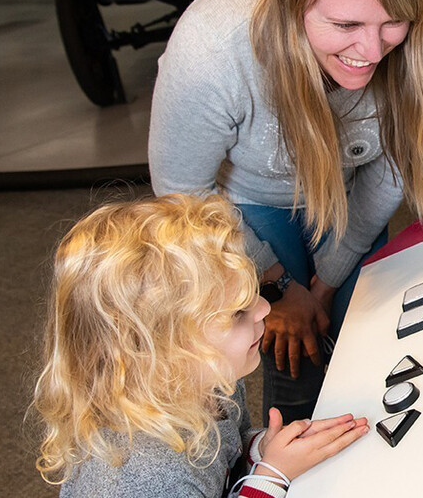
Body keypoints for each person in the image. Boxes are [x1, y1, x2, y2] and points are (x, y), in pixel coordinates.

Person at [148, 0, 423, 424]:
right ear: (295, 5)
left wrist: (327, 283)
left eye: (393, 21)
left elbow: (395, 166)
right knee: (295, 347)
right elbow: (181, 197)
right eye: (345, 25)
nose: (374, 52)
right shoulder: (212, 49)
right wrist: (275, 290)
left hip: (350, 185)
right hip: (239, 203)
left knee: (371, 326)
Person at [31, 194, 369, 497]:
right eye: (238, 312)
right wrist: (272, 476)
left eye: (254, 292)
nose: (265, 308)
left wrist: (260, 449)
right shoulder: (148, 479)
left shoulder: (209, 383)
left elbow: (222, 454)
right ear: (165, 353)